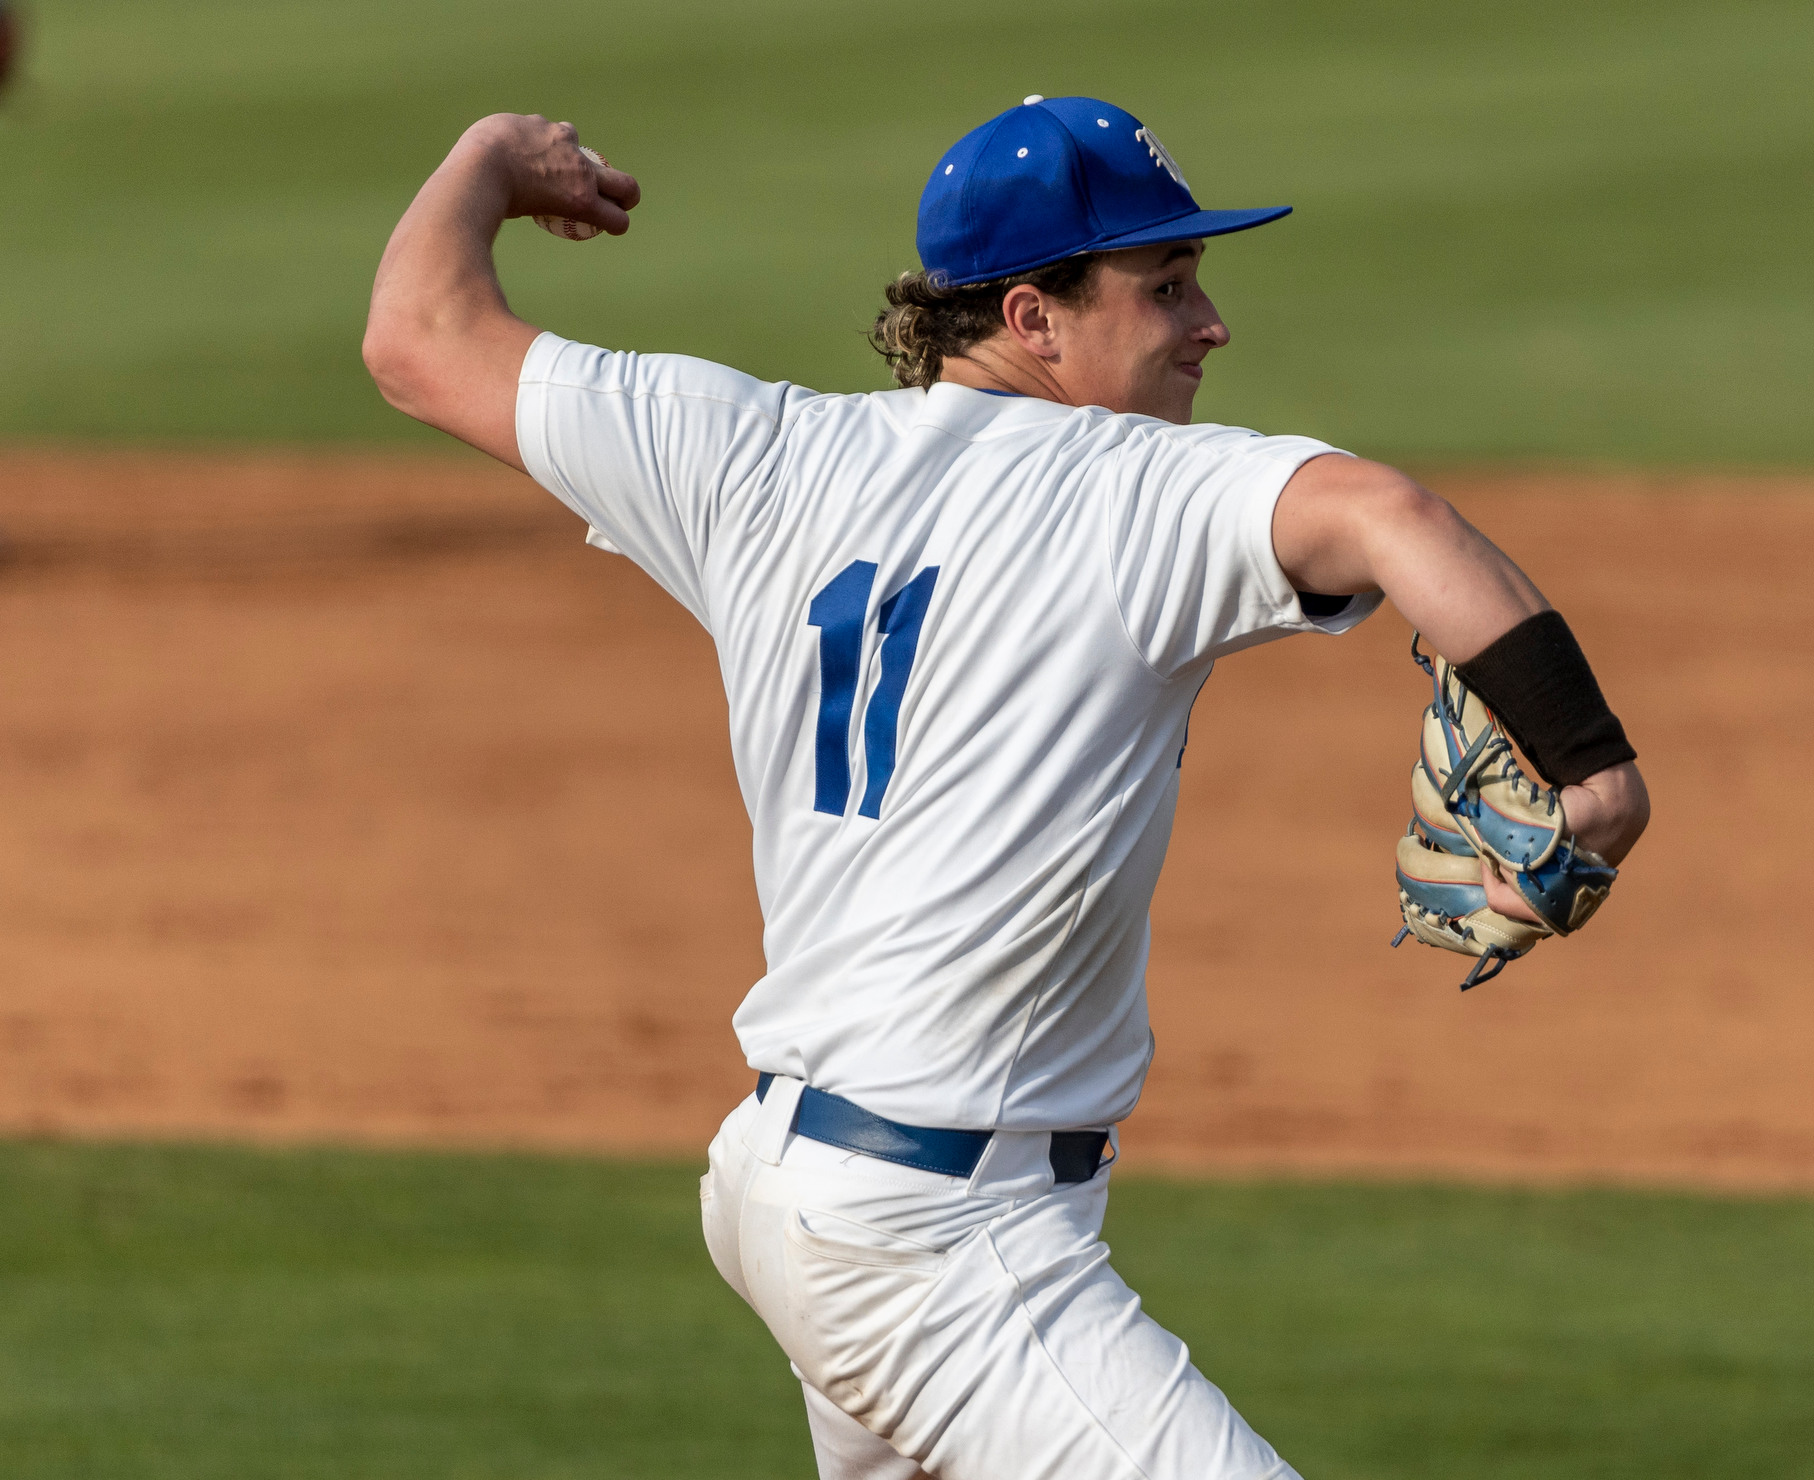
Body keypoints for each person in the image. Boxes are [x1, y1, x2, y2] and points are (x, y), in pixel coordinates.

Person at [364, 95, 1648, 1480]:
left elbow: (418, 340)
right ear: (1031, 317)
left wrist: (489, 158)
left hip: (796, 1183)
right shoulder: (1142, 490)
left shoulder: (747, 449)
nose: (1208, 322)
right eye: (1163, 287)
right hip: (939, 1246)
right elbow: (1392, 518)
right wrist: (1592, 771)